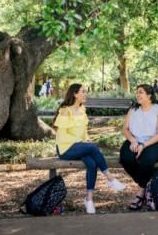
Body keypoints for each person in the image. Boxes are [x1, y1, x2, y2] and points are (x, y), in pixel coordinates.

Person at [54, 83, 126, 214]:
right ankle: (110, 179)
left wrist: (84, 142)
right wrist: (84, 145)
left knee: (92, 164)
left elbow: (83, 131)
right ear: (75, 94)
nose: (85, 94)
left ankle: (89, 200)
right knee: (92, 147)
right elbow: (62, 134)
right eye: (82, 91)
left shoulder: (82, 110)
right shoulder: (66, 110)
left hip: (79, 146)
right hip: (65, 148)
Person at [120, 83, 158, 210]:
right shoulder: (133, 110)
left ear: (149, 95)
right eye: (137, 92)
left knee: (146, 160)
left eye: (140, 92)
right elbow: (125, 129)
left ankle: (141, 192)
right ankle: (148, 185)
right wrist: (132, 140)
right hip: (136, 141)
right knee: (126, 158)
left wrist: (143, 145)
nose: (137, 95)